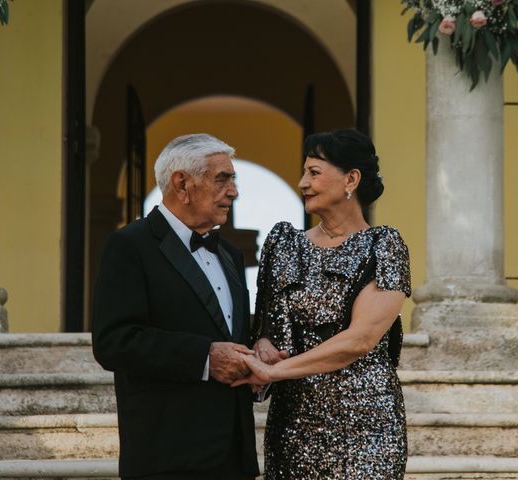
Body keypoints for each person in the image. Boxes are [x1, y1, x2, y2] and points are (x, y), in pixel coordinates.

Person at [236, 129, 411, 479]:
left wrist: (273, 371)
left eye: (314, 172)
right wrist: (264, 347)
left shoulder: (384, 246)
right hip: (294, 422)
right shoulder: (282, 243)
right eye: (304, 173)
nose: (303, 182)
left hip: (367, 425)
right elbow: (267, 328)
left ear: (351, 179)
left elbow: (360, 340)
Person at [92, 133, 260, 480]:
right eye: (222, 179)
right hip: (167, 457)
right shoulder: (130, 246)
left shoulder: (229, 253)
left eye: (234, 180)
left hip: (233, 456)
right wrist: (205, 358)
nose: (234, 191)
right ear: (182, 184)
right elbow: (114, 342)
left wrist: (259, 353)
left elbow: (229, 331)